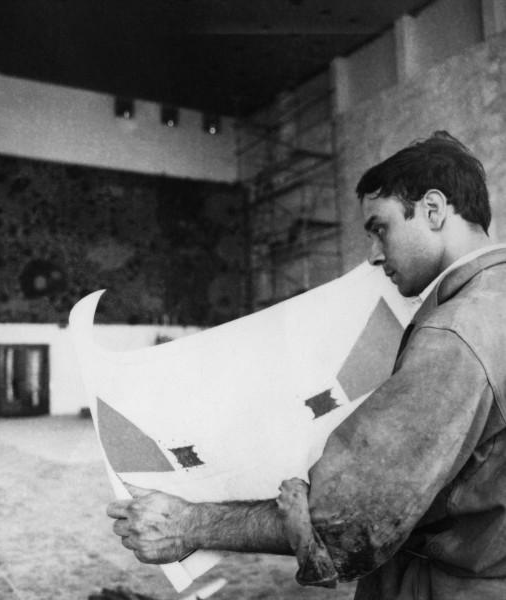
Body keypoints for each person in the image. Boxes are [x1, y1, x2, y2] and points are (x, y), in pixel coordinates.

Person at [107, 131, 506, 599]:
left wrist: (190, 524)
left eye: (381, 228)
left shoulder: (455, 333)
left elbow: (348, 520)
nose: (375, 255)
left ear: (434, 210)